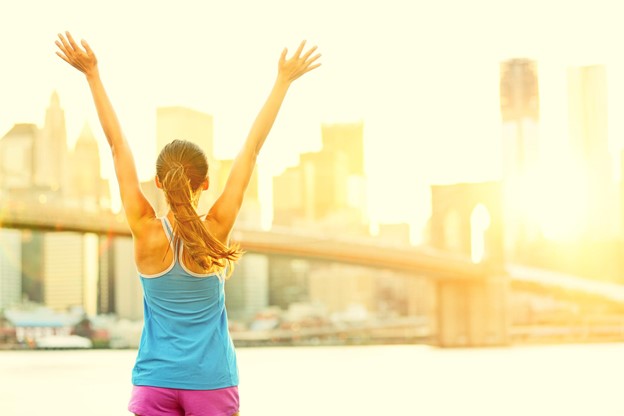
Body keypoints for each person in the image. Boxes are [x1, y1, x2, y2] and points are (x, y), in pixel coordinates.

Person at [55, 31, 320, 416]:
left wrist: (92, 75)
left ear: (158, 182)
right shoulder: (216, 230)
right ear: (206, 183)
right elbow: (251, 150)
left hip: (154, 384)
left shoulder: (144, 228)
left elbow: (117, 147)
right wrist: (283, 82)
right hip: (211, 383)